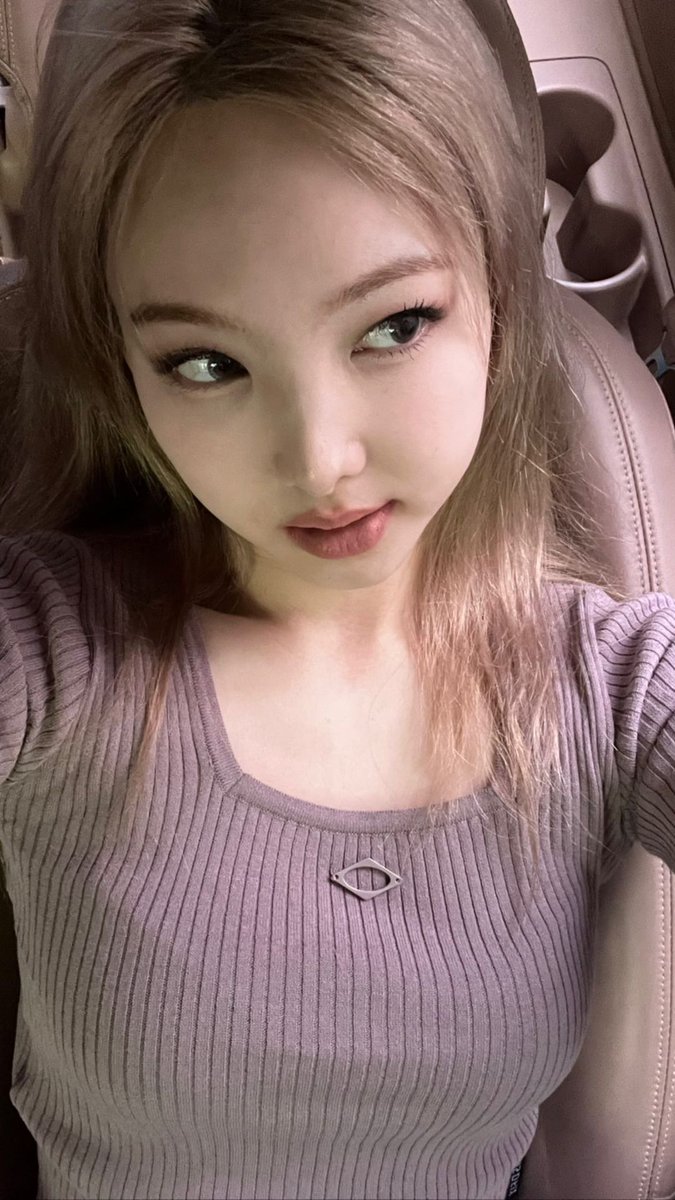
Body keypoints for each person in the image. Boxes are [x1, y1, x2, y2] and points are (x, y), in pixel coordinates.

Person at [0, 1, 674, 1198]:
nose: (319, 460)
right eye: (206, 363)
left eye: (393, 326)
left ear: (500, 287)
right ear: (124, 369)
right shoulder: (50, 653)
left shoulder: (611, 691)